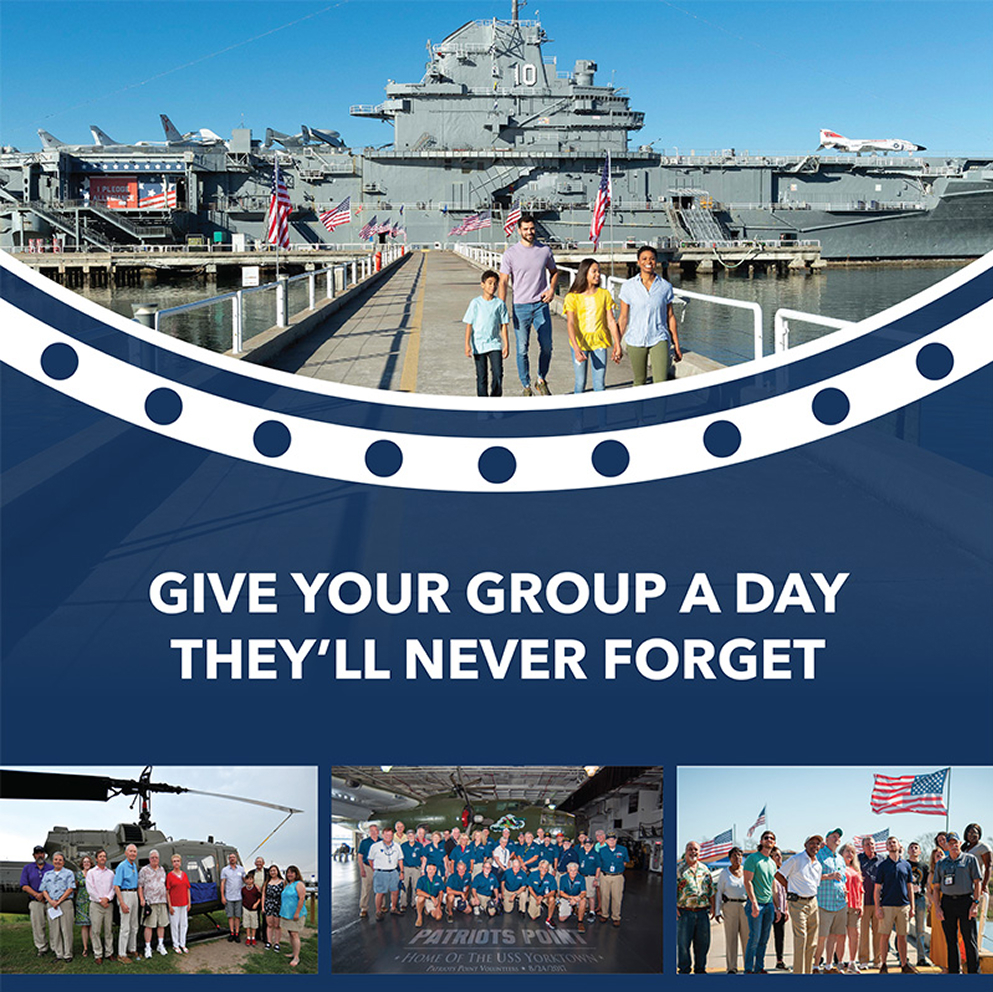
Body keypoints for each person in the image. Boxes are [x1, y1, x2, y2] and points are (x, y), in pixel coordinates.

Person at [498, 213, 558, 396]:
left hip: (541, 305)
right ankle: (526, 386)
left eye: (532, 228)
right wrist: (501, 306)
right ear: (519, 231)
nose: (529, 232)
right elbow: (503, 281)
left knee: (547, 346)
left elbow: (554, 272)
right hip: (520, 307)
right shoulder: (510, 254)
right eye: (525, 229)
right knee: (522, 349)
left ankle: (541, 379)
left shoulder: (545, 250)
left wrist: (552, 290)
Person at [618, 245, 682, 386]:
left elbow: (670, 316)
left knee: (661, 382)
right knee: (639, 381)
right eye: (644, 259)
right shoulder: (628, 287)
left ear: (656, 261)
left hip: (659, 337)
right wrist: (617, 344)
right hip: (635, 338)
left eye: (652, 259)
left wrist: (676, 344)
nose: (648, 262)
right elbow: (623, 318)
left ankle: (660, 402)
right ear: (638, 262)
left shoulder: (665, 287)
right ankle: (639, 402)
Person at [563, 258, 621, 393]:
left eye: (599, 271)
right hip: (579, 343)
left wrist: (617, 344)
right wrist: (576, 348)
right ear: (584, 273)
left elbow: (611, 321)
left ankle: (601, 408)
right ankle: (578, 407)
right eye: (594, 271)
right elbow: (570, 323)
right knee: (580, 382)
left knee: (599, 384)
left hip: (599, 342)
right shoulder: (572, 297)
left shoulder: (604, 294)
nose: (598, 274)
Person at [933, 830, 983, 974]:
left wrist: (975, 904)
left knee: (969, 939)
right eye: (950, 843)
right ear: (947, 846)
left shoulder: (970, 860)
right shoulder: (941, 863)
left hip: (966, 902)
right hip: (947, 903)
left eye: (955, 842)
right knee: (951, 940)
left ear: (960, 843)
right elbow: (936, 888)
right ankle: (954, 973)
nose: (953, 845)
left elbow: (977, 883)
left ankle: (974, 973)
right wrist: (938, 908)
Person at [775, 835, 823, 974]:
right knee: (801, 938)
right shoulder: (796, 859)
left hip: (813, 902)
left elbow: (814, 884)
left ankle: (807, 973)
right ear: (805, 844)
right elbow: (779, 875)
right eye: (812, 843)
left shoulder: (818, 865)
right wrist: (789, 888)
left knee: (812, 941)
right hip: (797, 903)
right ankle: (798, 974)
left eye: (817, 843)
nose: (815, 846)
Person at [874, 835, 917, 973]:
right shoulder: (882, 866)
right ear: (886, 847)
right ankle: (883, 964)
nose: (892, 844)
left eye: (894, 842)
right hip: (887, 906)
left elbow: (910, 888)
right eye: (889, 843)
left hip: (904, 906)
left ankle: (904, 965)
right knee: (884, 936)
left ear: (899, 846)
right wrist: (878, 908)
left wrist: (912, 907)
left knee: (902, 937)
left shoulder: (906, 865)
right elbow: (877, 889)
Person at [463, 269, 509, 397]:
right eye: (489, 283)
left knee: (498, 373)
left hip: (494, 344)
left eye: (495, 284)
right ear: (482, 285)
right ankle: (483, 403)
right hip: (479, 344)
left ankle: (495, 400)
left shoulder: (500, 304)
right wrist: (467, 344)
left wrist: (506, 344)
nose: (492, 286)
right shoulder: (475, 303)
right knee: (482, 376)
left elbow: (503, 325)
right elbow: (469, 325)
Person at [676, 840, 715, 974]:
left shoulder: (705, 869)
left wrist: (713, 907)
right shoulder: (678, 869)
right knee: (683, 944)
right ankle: (684, 970)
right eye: (690, 849)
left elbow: (711, 889)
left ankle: (700, 970)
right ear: (686, 851)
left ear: (699, 852)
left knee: (703, 944)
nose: (693, 852)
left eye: (696, 850)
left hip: (702, 913)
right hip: (684, 913)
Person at [742, 831, 777, 974]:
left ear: (774, 843)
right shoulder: (753, 858)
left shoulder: (772, 863)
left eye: (772, 838)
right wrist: (754, 903)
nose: (769, 840)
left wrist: (777, 907)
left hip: (769, 905)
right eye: (766, 838)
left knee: (764, 939)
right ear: (761, 841)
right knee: (754, 938)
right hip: (756, 904)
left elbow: (773, 886)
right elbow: (747, 881)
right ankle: (748, 969)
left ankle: (759, 967)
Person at [814, 827, 848, 973]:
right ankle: (815, 966)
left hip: (839, 903)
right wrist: (829, 876)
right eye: (833, 836)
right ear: (826, 839)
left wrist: (844, 888)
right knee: (821, 937)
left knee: (834, 936)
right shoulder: (819, 855)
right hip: (824, 903)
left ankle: (828, 966)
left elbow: (843, 878)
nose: (836, 838)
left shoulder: (840, 859)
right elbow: (812, 876)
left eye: (838, 837)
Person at [714, 846, 747, 972]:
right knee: (731, 938)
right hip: (730, 907)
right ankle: (732, 967)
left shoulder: (747, 871)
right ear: (730, 858)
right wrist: (717, 911)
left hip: (745, 906)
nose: (737, 858)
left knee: (747, 938)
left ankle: (748, 965)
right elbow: (719, 892)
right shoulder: (724, 873)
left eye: (739, 855)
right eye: (734, 855)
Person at [39, 851, 76, 962]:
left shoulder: (68, 873)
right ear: (53, 861)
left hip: (65, 903)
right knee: (54, 930)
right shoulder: (47, 875)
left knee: (66, 929)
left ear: (63, 862)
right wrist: (51, 901)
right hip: (51, 904)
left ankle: (68, 954)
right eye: (56, 859)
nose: (58, 862)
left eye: (60, 860)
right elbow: (43, 889)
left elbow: (70, 888)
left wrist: (59, 901)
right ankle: (59, 953)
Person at [20, 844, 54, 956]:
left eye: (41, 853)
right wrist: (36, 895)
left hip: (50, 901)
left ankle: (55, 947)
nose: (40, 855)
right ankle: (42, 948)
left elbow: (55, 884)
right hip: (35, 901)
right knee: (38, 926)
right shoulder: (27, 868)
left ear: (44, 855)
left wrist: (45, 895)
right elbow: (24, 885)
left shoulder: (51, 868)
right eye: (37, 853)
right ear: (34, 855)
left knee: (53, 925)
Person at [961, 822, 990, 949]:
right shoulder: (964, 848)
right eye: (970, 832)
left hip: (975, 887)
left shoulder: (983, 847)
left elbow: (988, 867)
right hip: (963, 887)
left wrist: (984, 885)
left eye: (975, 833)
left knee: (970, 921)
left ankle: (973, 950)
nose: (972, 835)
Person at [858, 834, 884, 969]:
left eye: (872, 844)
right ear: (863, 847)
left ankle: (877, 960)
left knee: (878, 933)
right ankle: (863, 960)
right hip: (863, 901)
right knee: (863, 933)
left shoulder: (882, 860)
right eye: (867, 844)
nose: (870, 846)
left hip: (878, 902)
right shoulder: (858, 860)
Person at [138, 849, 170, 958]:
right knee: (149, 926)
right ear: (149, 859)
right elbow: (140, 886)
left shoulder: (162, 870)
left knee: (161, 925)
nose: (154, 859)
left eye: (156, 857)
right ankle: (148, 947)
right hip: (150, 902)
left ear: (159, 859)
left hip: (162, 901)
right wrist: (142, 899)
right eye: (152, 857)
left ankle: (160, 945)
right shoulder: (144, 870)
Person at [86, 849, 116, 964]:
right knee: (96, 931)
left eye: (104, 856)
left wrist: (107, 898)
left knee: (108, 930)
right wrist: (100, 900)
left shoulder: (111, 873)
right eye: (100, 856)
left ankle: (109, 952)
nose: (103, 858)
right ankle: (98, 954)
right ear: (96, 859)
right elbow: (90, 889)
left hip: (108, 905)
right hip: (96, 905)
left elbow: (113, 888)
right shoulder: (91, 873)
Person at [368, 826, 403, 920]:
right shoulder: (375, 846)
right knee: (380, 893)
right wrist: (375, 869)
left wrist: (401, 872)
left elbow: (400, 859)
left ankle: (393, 908)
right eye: (386, 835)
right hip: (381, 872)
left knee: (395, 891)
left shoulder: (397, 846)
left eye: (390, 835)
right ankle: (378, 911)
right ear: (382, 835)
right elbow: (370, 859)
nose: (388, 837)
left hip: (393, 872)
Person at [114, 843, 141, 963]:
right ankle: (121, 954)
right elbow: (116, 886)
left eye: (134, 851)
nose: (133, 853)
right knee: (125, 926)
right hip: (125, 894)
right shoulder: (122, 866)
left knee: (134, 925)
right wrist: (122, 903)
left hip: (134, 894)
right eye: (130, 851)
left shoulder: (134, 865)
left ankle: (132, 948)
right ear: (126, 853)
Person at [840, 843, 864, 973]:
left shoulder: (856, 870)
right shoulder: (839, 867)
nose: (850, 854)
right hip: (842, 905)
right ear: (842, 853)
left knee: (855, 934)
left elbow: (861, 890)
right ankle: (839, 962)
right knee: (841, 935)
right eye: (847, 851)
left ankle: (852, 962)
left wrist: (861, 905)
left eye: (852, 852)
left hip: (855, 906)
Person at [905, 841, 930, 966]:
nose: (914, 849)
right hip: (906, 900)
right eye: (911, 848)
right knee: (903, 929)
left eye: (916, 848)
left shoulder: (924, 866)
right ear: (908, 851)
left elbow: (927, 884)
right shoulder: (904, 864)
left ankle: (921, 958)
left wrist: (930, 901)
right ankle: (903, 957)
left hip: (920, 899)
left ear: (919, 851)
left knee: (920, 930)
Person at [598, 832, 628, 927]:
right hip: (605, 876)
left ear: (616, 840)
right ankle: (604, 914)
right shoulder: (602, 850)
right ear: (606, 841)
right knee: (604, 896)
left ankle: (616, 917)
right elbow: (599, 863)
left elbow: (625, 862)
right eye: (609, 839)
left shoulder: (623, 849)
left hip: (617, 876)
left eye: (613, 839)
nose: (611, 841)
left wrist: (618, 870)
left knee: (617, 897)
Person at [279, 865, 307, 968]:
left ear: (296, 874)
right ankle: (293, 952)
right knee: (290, 933)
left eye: (292, 872)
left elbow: (301, 898)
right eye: (288, 872)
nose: (289, 874)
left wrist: (297, 912)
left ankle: (296, 957)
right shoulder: (287, 884)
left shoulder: (299, 884)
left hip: (295, 913)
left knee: (295, 934)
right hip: (287, 913)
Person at [165, 853, 191, 954]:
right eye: (174, 861)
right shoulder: (170, 876)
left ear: (180, 863)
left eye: (178, 861)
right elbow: (167, 891)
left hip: (184, 903)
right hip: (174, 904)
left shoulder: (184, 875)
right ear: (172, 863)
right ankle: (175, 945)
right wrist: (170, 905)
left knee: (184, 924)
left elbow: (188, 889)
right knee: (175, 925)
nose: (176, 863)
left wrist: (189, 902)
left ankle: (182, 943)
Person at [770, 847, 789, 971]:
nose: (779, 857)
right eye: (776, 855)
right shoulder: (770, 873)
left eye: (780, 855)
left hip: (781, 909)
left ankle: (779, 961)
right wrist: (776, 908)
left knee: (780, 936)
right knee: (763, 936)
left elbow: (785, 892)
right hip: (771, 908)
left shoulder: (782, 874)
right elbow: (772, 892)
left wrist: (785, 909)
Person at [220, 852, 245, 942]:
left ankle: (237, 933)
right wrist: (222, 896)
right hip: (229, 897)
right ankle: (231, 932)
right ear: (228, 859)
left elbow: (245, 880)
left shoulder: (241, 869)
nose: (232, 859)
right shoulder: (225, 870)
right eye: (230, 857)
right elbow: (222, 883)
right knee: (230, 916)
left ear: (236, 858)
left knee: (238, 916)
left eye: (233, 857)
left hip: (239, 897)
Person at [557, 861, 588, 932]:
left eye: (575, 870)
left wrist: (577, 898)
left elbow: (583, 892)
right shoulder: (563, 878)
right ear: (568, 870)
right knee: (561, 919)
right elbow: (561, 893)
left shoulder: (581, 878)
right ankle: (572, 909)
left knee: (583, 901)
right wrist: (571, 898)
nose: (573, 872)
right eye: (571, 870)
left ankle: (580, 922)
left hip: (577, 897)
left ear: (577, 871)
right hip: (566, 897)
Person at [527, 859, 558, 928]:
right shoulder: (533, 874)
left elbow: (553, 892)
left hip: (545, 896)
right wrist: (536, 897)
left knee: (552, 899)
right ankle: (539, 908)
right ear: (539, 867)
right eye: (542, 867)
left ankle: (549, 919)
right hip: (535, 895)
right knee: (533, 917)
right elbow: (530, 888)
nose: (544, 869)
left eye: (546, 868)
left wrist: (543, 897)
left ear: (548, 869)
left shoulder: (551, 877)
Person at [357, 824, 379, 919]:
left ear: (378, 831)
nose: (373, 832)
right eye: (371, 831)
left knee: (380, 888)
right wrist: (362, 869)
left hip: (378, 868)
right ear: (369, 832)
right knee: (366, 888)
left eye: (375, 830)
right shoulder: (364, 842)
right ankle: (364, 908)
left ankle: (381, 906)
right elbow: (360, 856)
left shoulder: (382, 842)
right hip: (367, 867)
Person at [400, 828, 425, 911]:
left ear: (415, 836)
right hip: (406, 868)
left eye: (412, 835)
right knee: (404, 886)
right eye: (409, 835)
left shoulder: (419, 845)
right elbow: (400, 859)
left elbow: (422, 858)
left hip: (416, 868)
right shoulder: (403, 846)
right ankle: (403, 904)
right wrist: (401, 870)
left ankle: (414, 903)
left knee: (416, 886)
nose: (411, 837)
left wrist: (422, 869)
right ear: (407, 837)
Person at [414, 862, 445, 928]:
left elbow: (441, 892)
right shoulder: (422, 879)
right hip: (425, 898)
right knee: (420, 898)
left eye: (433, 869)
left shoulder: (438, 879)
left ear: (435, 870)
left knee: (438, 917)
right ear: (426, 870)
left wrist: (438, 906)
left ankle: (427, 909)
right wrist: (431, 897)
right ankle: (419, 917)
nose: (431, 871)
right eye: (430, 869)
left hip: (434, 900)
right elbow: (418, 891)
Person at [74, 854, 93, 958]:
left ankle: (94, 947)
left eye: (88, 862)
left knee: (92, 925)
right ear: (82, 864)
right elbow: (78, 885)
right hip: (81, 902)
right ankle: (85, 947)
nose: (86, 863)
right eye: (85, 862)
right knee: (84, 925)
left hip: (92, 901)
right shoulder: (78, 874)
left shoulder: (94, 873)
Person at [577, 836, 600, 921]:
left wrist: (596, 879)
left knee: (591, 895)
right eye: (586, 844)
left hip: (590, 877)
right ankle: (582, 910)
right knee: (581, 894)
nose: (587, 846)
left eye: (589, 845)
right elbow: (577, 863)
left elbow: (598, 867)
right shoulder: (580, 853)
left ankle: (592, 912)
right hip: (581, 876)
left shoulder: (595, 854)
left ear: (592, 845)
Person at [262, 864, 284, 952]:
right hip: (269, 905)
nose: (272, 872)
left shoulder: (282, 882)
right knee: (269, 925)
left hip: (278, 905)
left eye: (274, 870)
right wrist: (263, 907)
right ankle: (269, 941)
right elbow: (263, 895)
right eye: (271, 871)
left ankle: (277, 943)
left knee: (277, 925)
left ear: (277, 871)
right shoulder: (267, 882)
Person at [242, 870, 261, 946]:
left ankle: (253, 938)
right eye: (247, 879)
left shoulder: (256, 889)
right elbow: (243, 897)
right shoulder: (243, 889)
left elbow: (259, 897)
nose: (249, 881)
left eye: (250, 879)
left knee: (254, 924)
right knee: (247, 924)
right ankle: (248, 937)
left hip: (254, 909)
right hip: (246, 908)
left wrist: (256, 904)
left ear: (253, 880)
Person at [252, 857, 267, 945]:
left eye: (260, 862)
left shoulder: (267, 872)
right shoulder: (251, 872)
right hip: (255, 897)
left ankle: (265, 936)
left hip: (265, 897)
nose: (259, 863)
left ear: (263, 863)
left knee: (265, 917)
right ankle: (257, 935)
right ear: (255, 863)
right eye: (257, 862)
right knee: (255, 917)